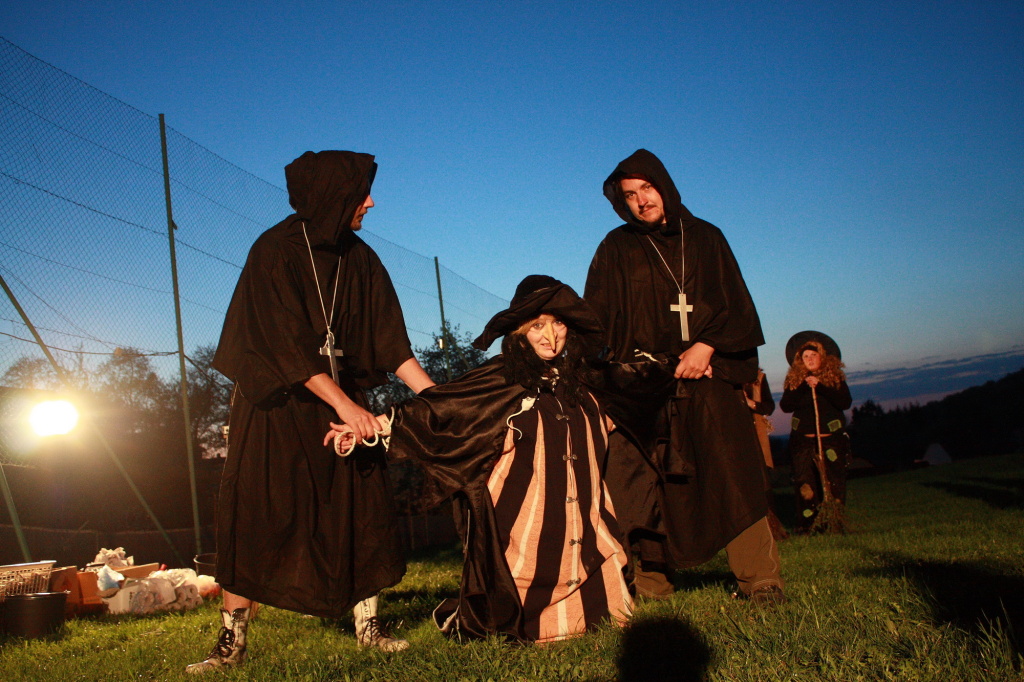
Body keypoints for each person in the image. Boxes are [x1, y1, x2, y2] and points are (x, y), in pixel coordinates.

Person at [187, 150, 434, 673]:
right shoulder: (274, 250)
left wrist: (439, 399)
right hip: (274, 408)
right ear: (332, 196)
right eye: (361, 193)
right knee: (254, 516)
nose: (371, 202)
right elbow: (280, 343)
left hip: (343, 405)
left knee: (361, 508)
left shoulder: (360, 258)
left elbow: (392, 343)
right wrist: (346, 404)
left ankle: (369, 628)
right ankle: (232, 642)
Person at [330, 276, 652, 643]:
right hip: (523, 535)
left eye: (558, 323)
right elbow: (443, 409)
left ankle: (589, 598)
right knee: (516, 609)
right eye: (538, 326)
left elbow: (639, 389)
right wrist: (369, 428)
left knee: (608, 614)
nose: (550, 336)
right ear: (519, 333)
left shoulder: (585, 380)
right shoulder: (500, 378)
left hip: (587, 527)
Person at [584, 149, 784, 604]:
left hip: (707, 373)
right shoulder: (615, 247)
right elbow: (596, 318)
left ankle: (760, 578)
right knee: (642, 480)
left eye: (647, 188)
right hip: (644, 383)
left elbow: (735, 303)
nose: (641, 201)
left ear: (664, 187)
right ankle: (652, 584)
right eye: (629, 195)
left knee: (731, 469)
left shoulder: (707, 238)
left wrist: (707, 345)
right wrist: (605, 382)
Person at [780, 332, 851, 533]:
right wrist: (804, 386)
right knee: (805, 484)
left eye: (813, 355)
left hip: (831, 441)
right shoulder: (795, 381)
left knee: (833, 481)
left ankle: (834, 522)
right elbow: (786, 406)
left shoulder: (835, 377)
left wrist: (821, 387)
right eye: (806, 357)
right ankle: (809, 526)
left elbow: (845, 402)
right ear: (800, 360)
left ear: (822, 356)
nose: (810, 359)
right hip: (804, 443)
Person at [744, 369, 788, 541]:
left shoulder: (758, 377)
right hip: (732, 436)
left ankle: (770, 527)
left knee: (762, 481)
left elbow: (768, 407)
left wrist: (750, 402)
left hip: (755, 435)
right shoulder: (722, 375)